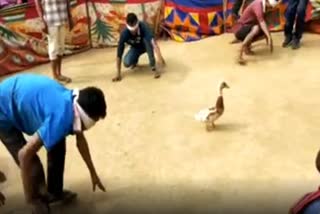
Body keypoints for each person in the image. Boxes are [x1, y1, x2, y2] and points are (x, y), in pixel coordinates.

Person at [0, 74, 107, 213]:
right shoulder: (61, 117)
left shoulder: (73, 102)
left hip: (15, 93)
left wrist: (93, 173)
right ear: (84, 118)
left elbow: (81, 142)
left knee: (57, 143)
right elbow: (23, 154)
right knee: (32, 165)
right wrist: (30, 199)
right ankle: (37, 200)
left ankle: (54, 192)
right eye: (93, 123)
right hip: (3, 109)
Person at [112, 12, 166, 82]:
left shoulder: (144, 26)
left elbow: (153, 43)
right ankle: (135, 60)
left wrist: (159, 57)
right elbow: (119, 54)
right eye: (131, 30)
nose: (133, 31)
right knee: (126, 62)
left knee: (147, 41)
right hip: (136, 48)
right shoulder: (124, 34)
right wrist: (118, 73)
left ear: (137, 23)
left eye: (135, 28)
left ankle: (153, 67)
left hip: (146, 45)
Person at [35, 0, 73, 83]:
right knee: (53, 48)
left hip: (63, 18)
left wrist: (70, 17)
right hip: (50, 20)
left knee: (61, 47)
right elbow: (37, 2)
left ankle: (59, 74)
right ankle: (54, 76)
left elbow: (67, 1)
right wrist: (42, 19)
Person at [231, 0, 279, 65]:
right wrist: (269, 37)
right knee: (256, 28)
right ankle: (242, 48)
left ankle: (246, 46)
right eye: (270, 7)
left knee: (263, 31)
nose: (269, 9)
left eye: (271, 8)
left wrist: (268, 37)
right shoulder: (258, 4)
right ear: (267, 2)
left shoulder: (263, 6)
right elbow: (261, 22)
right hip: (240, 29)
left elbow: (263, 24)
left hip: (246, 27)